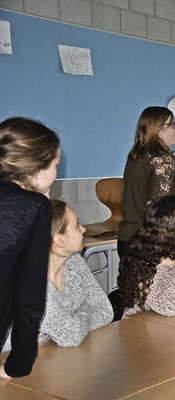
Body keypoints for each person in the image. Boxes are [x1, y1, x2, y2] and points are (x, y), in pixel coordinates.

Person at [2, 200, 113, 352]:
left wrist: (68, 322)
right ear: (60, 240)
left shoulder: (73, 261)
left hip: (53, 355)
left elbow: (105, 311)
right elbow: (71, 336)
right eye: (77, 225)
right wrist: (82, 312)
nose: (83, 229)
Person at [0, 117, 60, 379]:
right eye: (56, 165)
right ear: (36, 170)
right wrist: (19, 363)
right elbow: (29, 298)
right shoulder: (34, 207)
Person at [118, 106, 175, 257]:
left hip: (127, 239)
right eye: (173, 124)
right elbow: (161, 209)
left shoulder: (136, 156)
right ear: (159, 129)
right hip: (152, 243)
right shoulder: (162, 160)